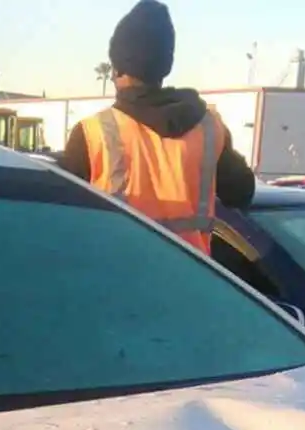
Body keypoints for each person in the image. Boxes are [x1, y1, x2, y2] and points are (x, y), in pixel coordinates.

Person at [60, 0, 256, 252]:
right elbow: (242, 193)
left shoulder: (92, 133)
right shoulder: (210, 128)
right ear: (164, 67)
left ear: (118, 70)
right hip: (194, 280)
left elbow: (61, 218)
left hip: (118, 280)